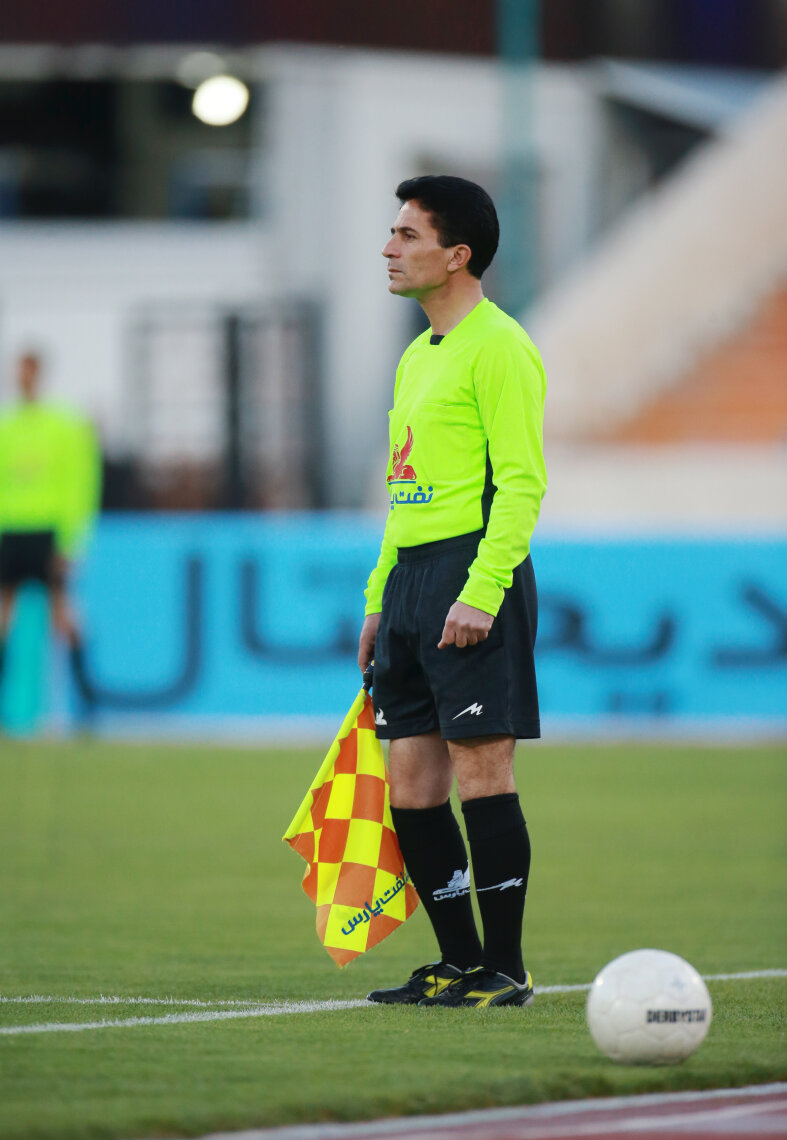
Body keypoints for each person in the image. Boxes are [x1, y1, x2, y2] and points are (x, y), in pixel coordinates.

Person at [358, 176, 547, 1009]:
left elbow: (522, 482)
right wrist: (379, 599)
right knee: (410, 782)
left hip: (471, 573)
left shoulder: (500, 346)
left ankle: (505, 968)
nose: (389, 249)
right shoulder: (417, 354)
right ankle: (456, 961)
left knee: (482, 771)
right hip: (410, 580)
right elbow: (402, 489)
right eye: (392, 233)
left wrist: (483, 588)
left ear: (457, 255)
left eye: (407, 235)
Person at [0, 351, 100, 719]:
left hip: (48, 533)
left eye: (28, 371)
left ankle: (87, 704)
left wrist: (71, 541)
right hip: (11, 530)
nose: (22, 378)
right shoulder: (6, 426)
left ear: (40, 374)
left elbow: (80, 484)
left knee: (63, 616)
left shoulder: (63, 426)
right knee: (4, 617)